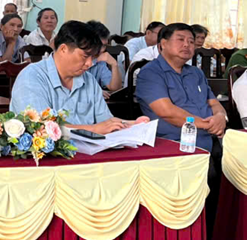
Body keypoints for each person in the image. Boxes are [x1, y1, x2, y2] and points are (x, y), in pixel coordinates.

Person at [12, 21, 147, 133]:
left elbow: (105, 121)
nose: (89, 64)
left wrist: (130, 124)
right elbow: (40, 128)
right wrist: (93, 129)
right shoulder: (31, 77)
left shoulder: (88, 80)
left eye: (93, 57)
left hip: (90, 151)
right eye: (85, 56)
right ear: (63, 49)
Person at [136, 23, 225, 152]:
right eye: (180, 39)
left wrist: (221, 117)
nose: (186, 45)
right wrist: (208, 125)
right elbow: (166, 112)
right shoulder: (150, 73)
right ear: (163, 44)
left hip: (212, 140)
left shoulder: (196, 73)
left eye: (191, 42)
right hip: (175, 145)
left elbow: (214, 103)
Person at [85, 20, 124, 92]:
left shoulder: (100, 61)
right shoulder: (75, 58)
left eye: (104, 45)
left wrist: (114, 64)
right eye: (100, 45)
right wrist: (94, 91)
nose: (102, 50)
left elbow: (115, 88)